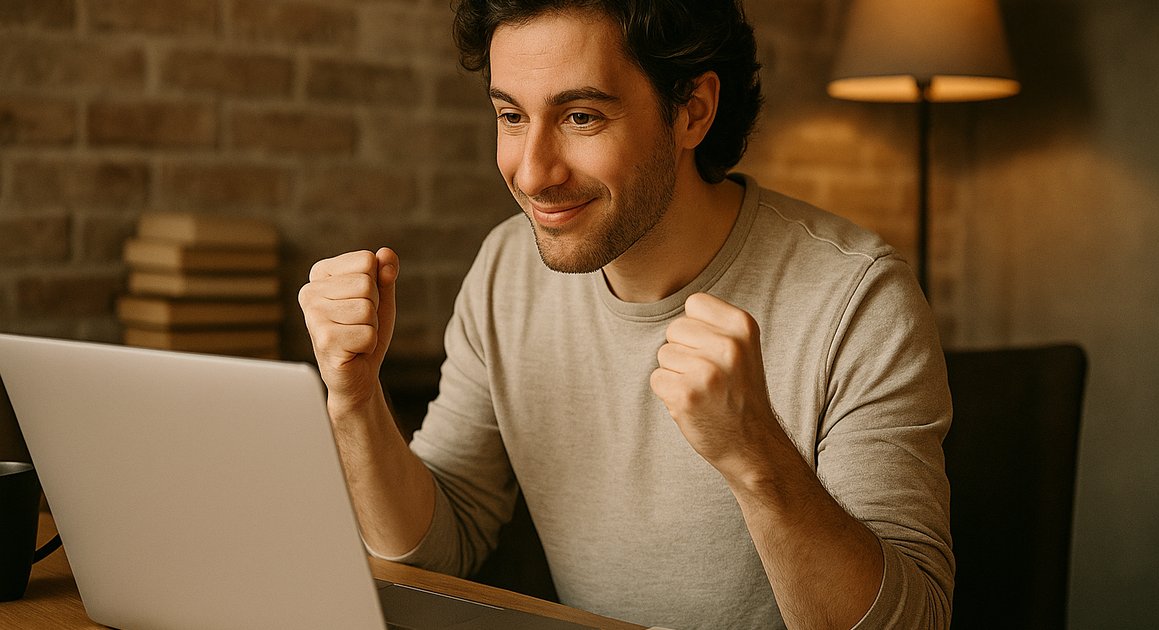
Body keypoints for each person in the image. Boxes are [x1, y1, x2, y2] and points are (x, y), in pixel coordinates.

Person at [298, 1, 953, 628]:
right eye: (511, 117)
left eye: (581, 117)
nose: (532, 173)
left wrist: (755, 453)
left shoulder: (858, 298)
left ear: (692, 111)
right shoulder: (506, 269)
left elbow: (912, 622)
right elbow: (440, 545)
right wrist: (355, 401)